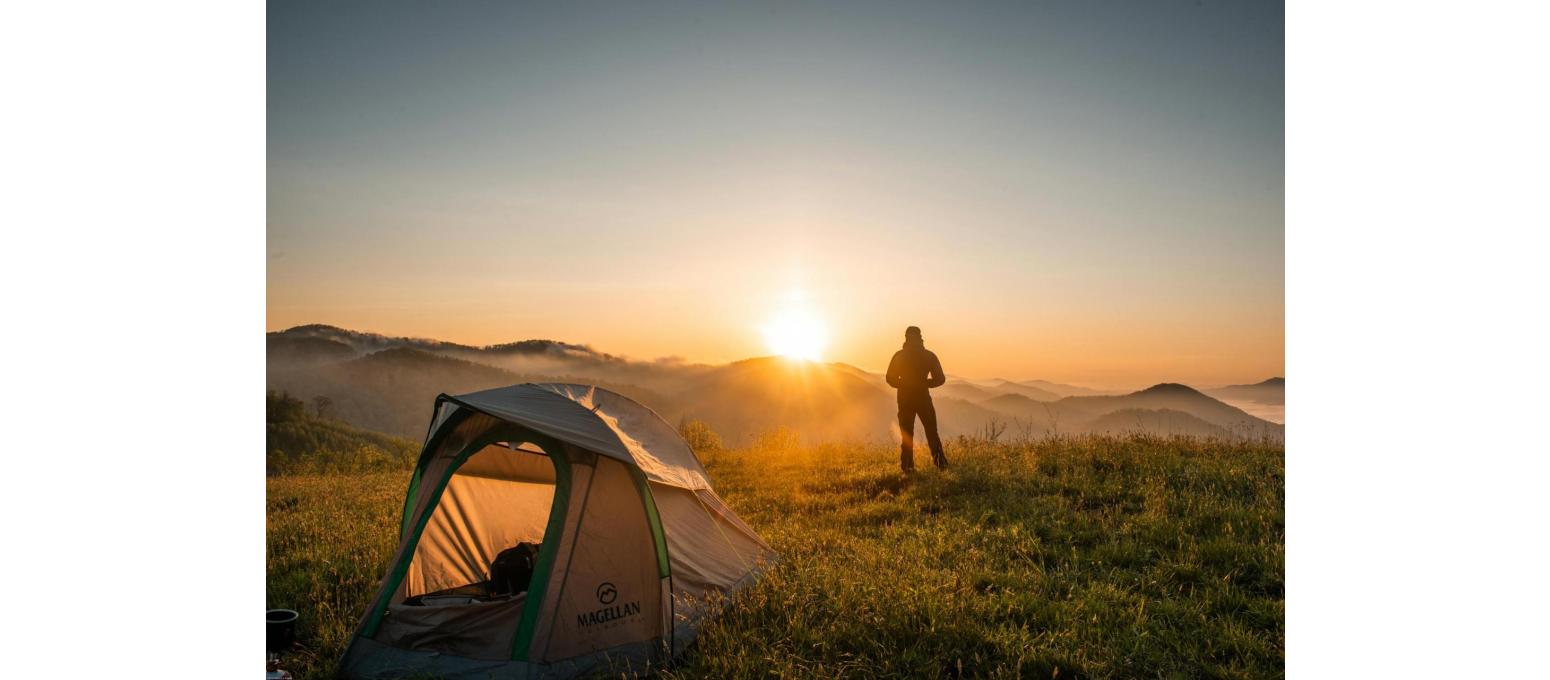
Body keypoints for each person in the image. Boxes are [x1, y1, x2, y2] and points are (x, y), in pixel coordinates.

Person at [885, 326, 947, 472]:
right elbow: (940, 379)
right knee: (932, 432)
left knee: (907, 435)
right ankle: (941, 464)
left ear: (906, 337)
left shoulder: (899, 356)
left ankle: (907, 467)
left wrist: (904, 384)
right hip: (923, 398)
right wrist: (924, 383)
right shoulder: (929, 356)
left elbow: (889, 378)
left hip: (905, 399)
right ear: (920, 337)